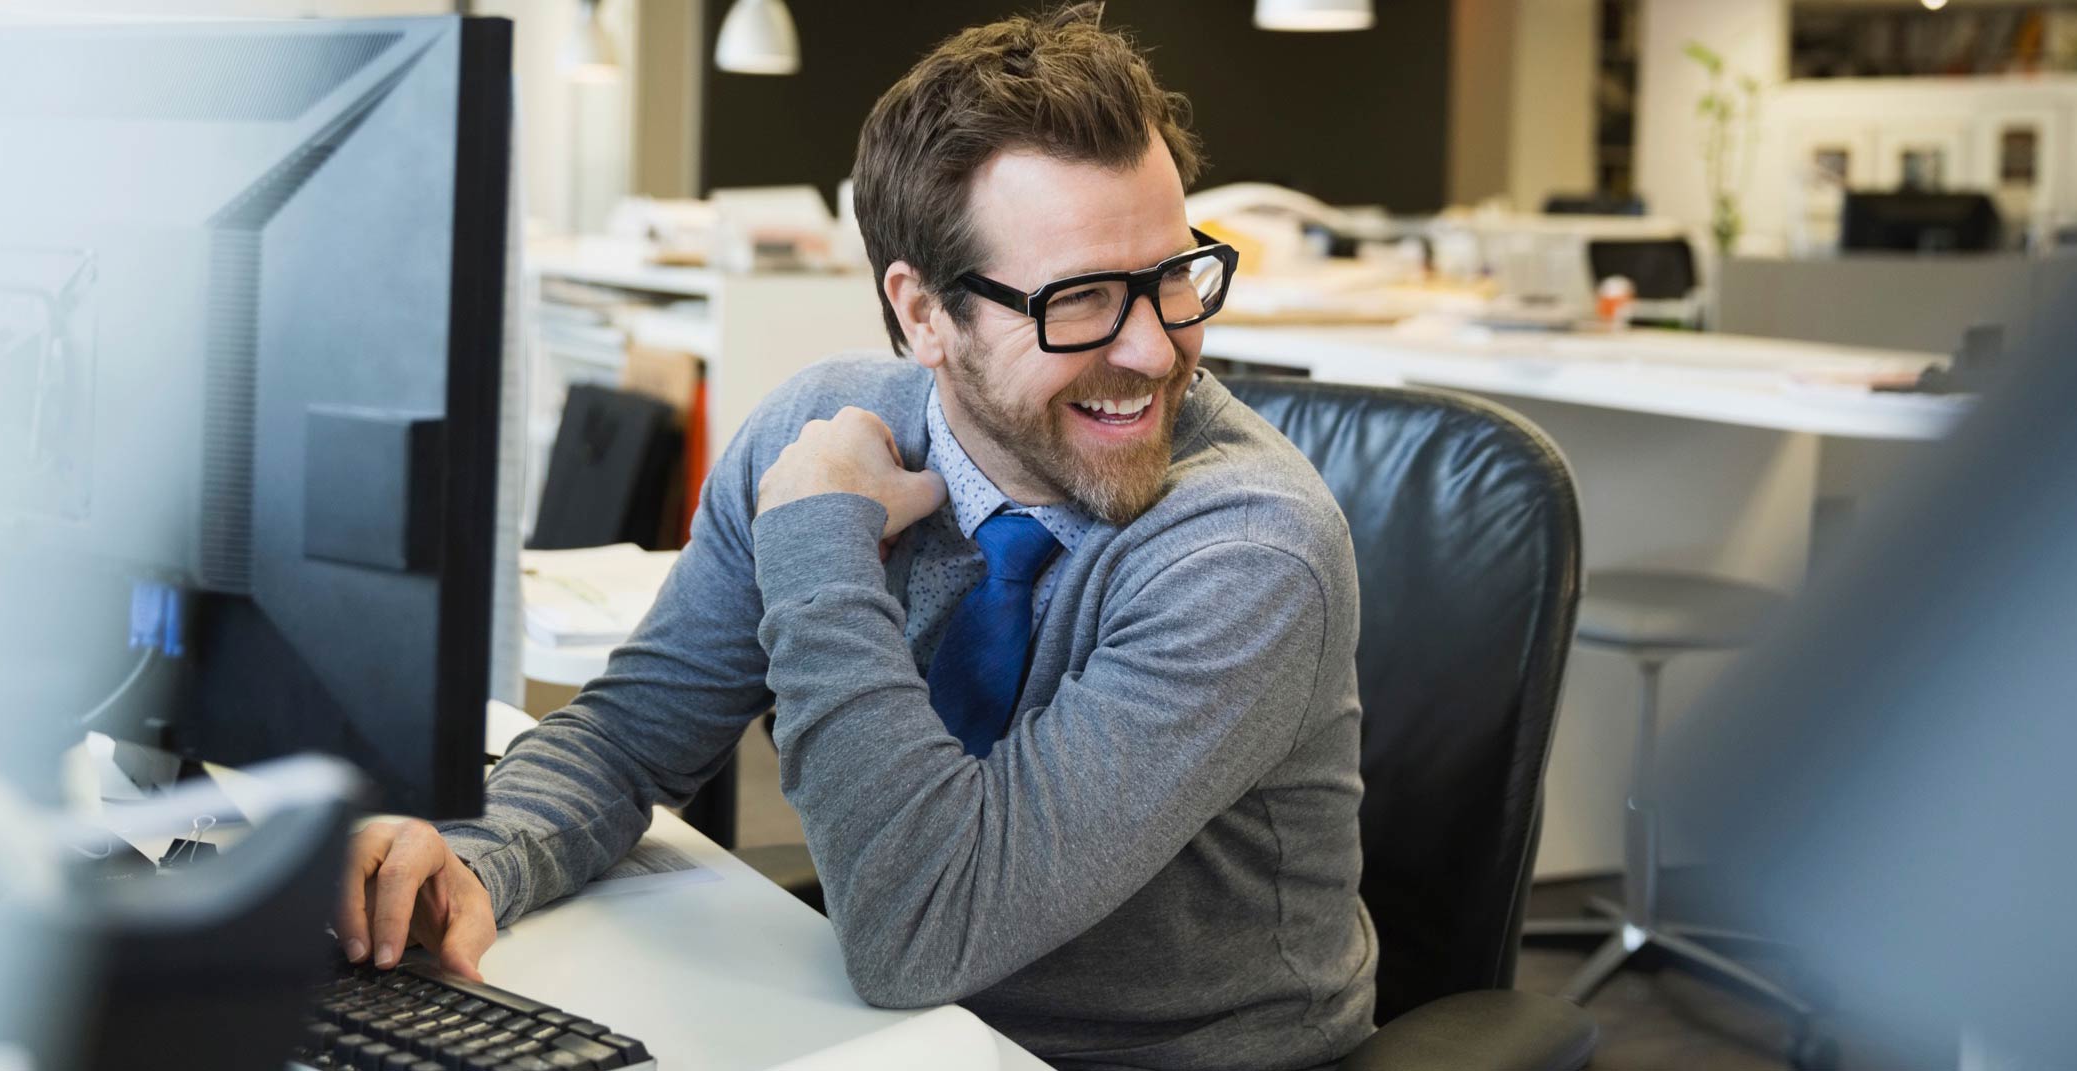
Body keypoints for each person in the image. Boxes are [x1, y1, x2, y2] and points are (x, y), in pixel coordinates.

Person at [338, 7, 1376, 1067]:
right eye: (1083, 300)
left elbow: (922, 930)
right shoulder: (815, 432)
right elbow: (627, 737)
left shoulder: (1247, 552)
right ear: (922, 314)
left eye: (1172, 276)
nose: (1156, 349)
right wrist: (476, 859)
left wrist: (817, 546)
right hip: (888, 1030)